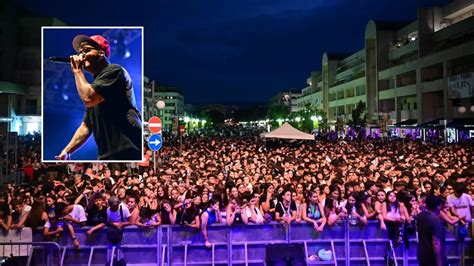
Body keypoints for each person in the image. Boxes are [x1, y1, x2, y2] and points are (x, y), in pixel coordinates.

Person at [55, 34, 142, 161]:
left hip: (127, 149)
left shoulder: (114, 71)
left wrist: (77, 71)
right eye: (80, 52)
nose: (81, 56)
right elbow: (86, 126)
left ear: (101, 53)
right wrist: (67, 151)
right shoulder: (97, 86)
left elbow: (88, 98)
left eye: (87, 50)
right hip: (108, 153)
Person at [416, 195, 447, 266]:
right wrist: (439, 262)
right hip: (433, 258)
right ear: (439, 206)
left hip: (422, 255)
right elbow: (436, 243)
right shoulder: (435, 220)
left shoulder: (420, 216)